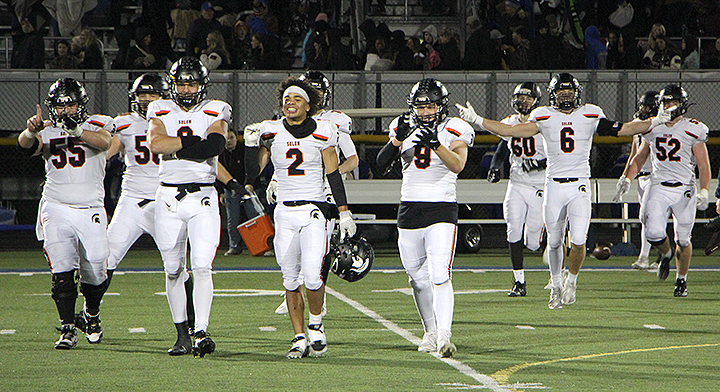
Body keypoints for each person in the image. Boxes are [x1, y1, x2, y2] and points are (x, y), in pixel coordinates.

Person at [457, 73, 672, 309]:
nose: (565, 97)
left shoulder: (590, 113)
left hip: (579, 185)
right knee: (555, 241)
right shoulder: (544, 115)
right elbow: (511, 132)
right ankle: (556, 285)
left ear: (577, 94)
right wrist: (478, 119)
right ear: (553, 95)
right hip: (553, 184)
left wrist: (655, 121)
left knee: (579, 240)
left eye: (569, 93)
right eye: (561, 93)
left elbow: (623, 128)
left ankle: (572, 281)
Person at [245, 76, 356, 359]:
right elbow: (253, 176)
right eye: (286, 100)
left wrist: (344, 212)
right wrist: (249, 147)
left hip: (313, 210)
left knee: (312, 275)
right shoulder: (270, 131)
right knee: (289, 278)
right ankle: (298, 338)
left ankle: (316, 324)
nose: (290, 103)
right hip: (283, 211)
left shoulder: (324, 130)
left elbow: (333, 174)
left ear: (308, 105)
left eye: (296, 99)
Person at [376, 78, 474, 357]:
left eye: (431, 106)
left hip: (441, 207)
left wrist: (436, 145)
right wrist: (397, 139)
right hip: (409, 207)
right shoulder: (402, 125)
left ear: (441, 106)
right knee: (417, 279)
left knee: (440, 274)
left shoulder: (455, 127)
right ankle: (430, 331)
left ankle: (445, 335)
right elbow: (380, 163)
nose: (426, 112)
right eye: (421, 107)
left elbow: (457, 165)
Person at [17, 78, 113, 349]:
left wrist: (76, 129)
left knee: (95, 272)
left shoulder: (98, 122)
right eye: (60, 106)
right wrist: (29, 131)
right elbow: (24, 148)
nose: (64, 110)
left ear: (81, 105)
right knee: (62, 270)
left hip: (91, 207)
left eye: (70, 105)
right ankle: (68, 328)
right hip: (56, 206)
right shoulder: (47, 130)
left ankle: (91, 316)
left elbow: (104, 143)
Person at [147, 56, 231, 357]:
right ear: (172, 84)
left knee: (203, 266)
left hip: (203, 198)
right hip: (168, 199)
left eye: (192, 82)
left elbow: (215, 146)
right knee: (172, 270)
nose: (186, 88)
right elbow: (156, 144)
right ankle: (181, 333)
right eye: (182, 82)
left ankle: (201, 332)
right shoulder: (158, 108)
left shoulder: (216, 108)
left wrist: (179, 145)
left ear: (202, 84)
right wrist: (195, 141)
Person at [104, 73, 196, 331]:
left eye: (151, 95)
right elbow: (105, 155)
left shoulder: (178, 119)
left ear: (163, 97)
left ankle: (191, 323)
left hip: (167, 199)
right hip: (132, 199)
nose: (145, 100)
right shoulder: (123, 123)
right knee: (106, 259)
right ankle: (91, 315)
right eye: (141, 95)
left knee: (177, 266)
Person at [271, 71, 359, 315]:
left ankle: (318, 296)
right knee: (294, 250)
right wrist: (275, 178)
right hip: (296, 194)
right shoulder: (285, 123)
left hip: (323, 194)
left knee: (319, 249)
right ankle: (295, 289)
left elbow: (352, 158)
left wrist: (334, 174)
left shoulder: (332, 123)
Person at [614, 85, 711, 297]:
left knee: (683, 239)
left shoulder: (694, 128)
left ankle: (681, 280)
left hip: (685, 188)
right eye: (665, 102)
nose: (668, 106)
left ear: (682, 104)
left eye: (672, 102)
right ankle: (666, 254)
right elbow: (640, 157)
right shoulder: (653, 126)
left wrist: (704, 190)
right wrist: (627, 177)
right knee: (653, 232)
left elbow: (703, 165)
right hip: (658, 185)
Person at [486, 82, 546, 297]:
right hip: (517, 184)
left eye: (528, 97)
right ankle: (519, 282)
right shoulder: (510, 122)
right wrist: (495, 167)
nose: (523, 101)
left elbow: (559, 155)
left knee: (532, 242)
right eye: (520, 97)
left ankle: (549, 241)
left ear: (536, 100)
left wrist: (540, 164)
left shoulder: (544, 121)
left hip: (540, 186)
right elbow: (503, 146)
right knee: (512, 229)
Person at [615, 90, 659, 270]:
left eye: (647, 106)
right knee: (647, 219)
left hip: (656, 176)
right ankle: (654, 256)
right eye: (641, 105)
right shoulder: (636, 124)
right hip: (641, 177)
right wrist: (626, 176)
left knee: (646, 216)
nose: (642, 109)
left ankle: (646, 257)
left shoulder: (659, 125)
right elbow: (634, 154)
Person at [216, 129, 248, 256]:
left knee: (255, 217)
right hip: (230, 191)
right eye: (226, 138)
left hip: (247, 188)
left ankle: (264, 246)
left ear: (236, 138)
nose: (229, 141)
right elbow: (217, 174)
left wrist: (248, 185)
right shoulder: (220, 154)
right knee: (232, 220)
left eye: (231, 137)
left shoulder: (244, 152)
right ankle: (234, 246)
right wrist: (221, 192)